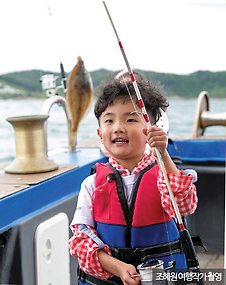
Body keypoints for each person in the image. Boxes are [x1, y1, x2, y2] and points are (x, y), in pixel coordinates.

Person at [68, 77, 198, 285]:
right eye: (109, 120)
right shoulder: (91, 184)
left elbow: (184, 205)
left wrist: (163, 154)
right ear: (100, 134)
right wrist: (117, 267)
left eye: (130, 120)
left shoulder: (164, 176)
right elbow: (81, 240)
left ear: (151, 130)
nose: (118, 128)